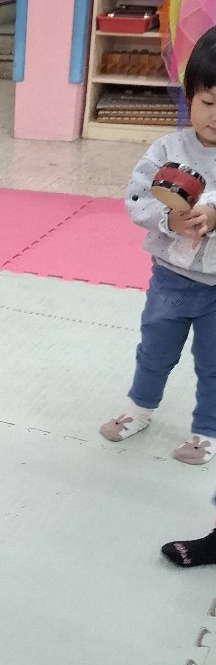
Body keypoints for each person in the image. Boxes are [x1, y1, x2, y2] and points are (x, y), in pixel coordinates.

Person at [100, 27, 216, 464]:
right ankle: (140, 409)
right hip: (171, 279)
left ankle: (207, 431)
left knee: (214, 363)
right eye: (209, 103)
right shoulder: (168, 149)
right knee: (154, 349)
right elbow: (137, 198)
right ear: (190, 97)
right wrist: (168, 218)